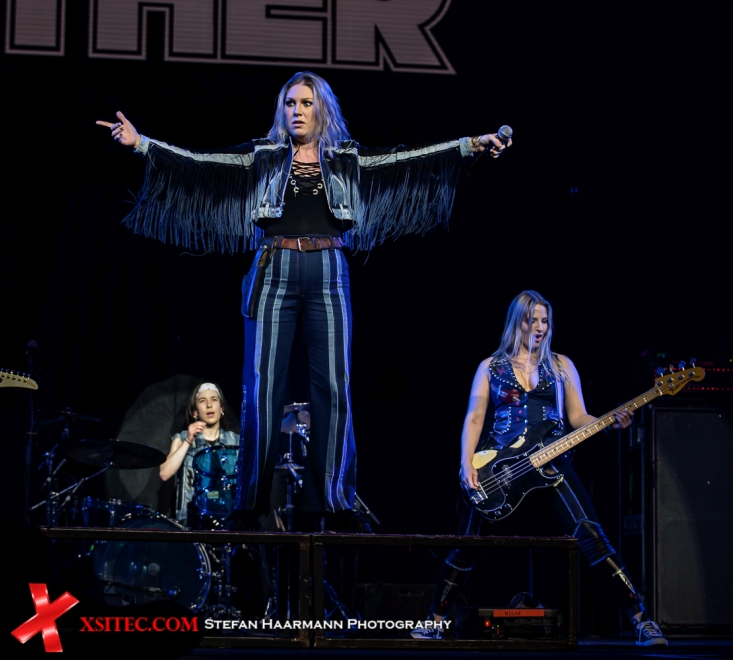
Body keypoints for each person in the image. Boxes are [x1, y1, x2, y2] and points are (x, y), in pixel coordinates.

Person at [97, 71, 510, 533]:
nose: (297, 111)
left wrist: (468, 146)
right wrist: (141, 144)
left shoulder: (345, 159)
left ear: (321, 110)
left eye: (306, 103)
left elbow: (407, 159)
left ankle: (332, 499)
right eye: (290, 103)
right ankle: (249, 502)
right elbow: (200, 162)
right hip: (274, 268)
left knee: (333, 387)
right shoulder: (264, 156)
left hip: (329, 270)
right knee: (262, 388)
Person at [410, 290, 667, 647]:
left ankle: (641, 621)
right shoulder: (490, 367)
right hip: (498, 467)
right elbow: (475, 417)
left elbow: (578, 417)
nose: (540, 327)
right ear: (518, 322)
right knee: (466, 544)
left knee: (591, 535)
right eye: (533, 320)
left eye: (545, 321)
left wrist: (609, 422)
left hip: (552, 463)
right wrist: (466, 463)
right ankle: (434, 622)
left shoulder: (561, 366)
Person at [159, 382, 239, 528]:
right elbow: (164, 473)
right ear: (195, 412)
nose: (209, 405)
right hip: (190, 523)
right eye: (202, 401)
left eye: (214, 399)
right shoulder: (182, 439)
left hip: (228, 522)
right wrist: (188, 441)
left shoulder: (236, 441)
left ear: (221, 408)